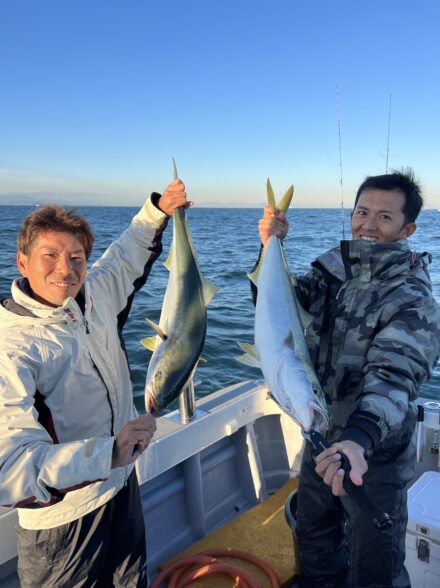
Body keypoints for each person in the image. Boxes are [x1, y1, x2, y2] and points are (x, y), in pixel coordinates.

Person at [0, 179, 190, 587]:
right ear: (22, 262)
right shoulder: (11, 347)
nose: (65, 269)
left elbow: (125, 255)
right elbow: (9, 466)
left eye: (76, 258)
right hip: (62, 526)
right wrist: (108, 454)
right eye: (49, 256)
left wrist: (159, 208)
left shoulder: (94, 294)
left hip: (121, 488)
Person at [255, 169, 440, 587]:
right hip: (320, 435)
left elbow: (395, 376)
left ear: (408, 228)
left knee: (374, 564)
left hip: (370, 451)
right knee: (314, 541)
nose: (368, 225)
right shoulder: (332, 273)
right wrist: (270, 245)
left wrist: (358, 438)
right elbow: (275, 308)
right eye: (361, 212)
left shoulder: (412, 297)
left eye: (384, 217)